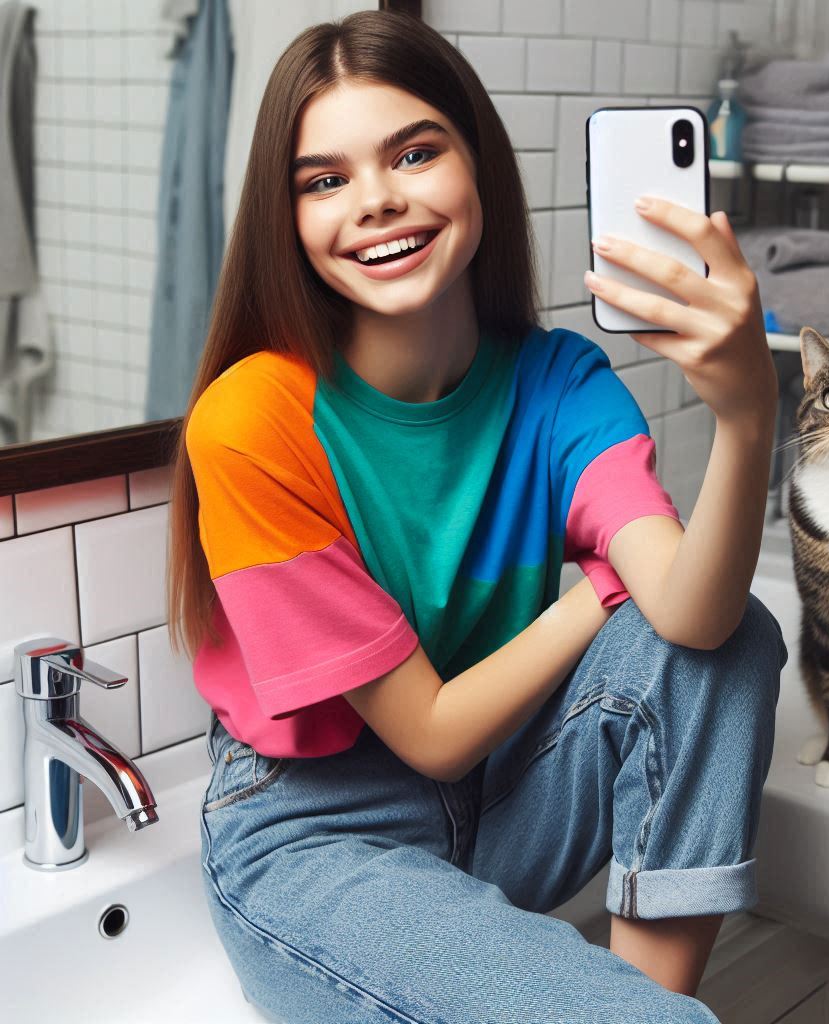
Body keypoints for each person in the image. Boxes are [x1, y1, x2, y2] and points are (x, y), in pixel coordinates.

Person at [166, 10, 788, 1024]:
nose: (375, 201)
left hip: (503, 801)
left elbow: (694, 622)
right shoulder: (254, 419)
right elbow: (429, 734)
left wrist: (747, 415)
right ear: (288, 218)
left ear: (478, 166)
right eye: (324, 180)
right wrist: (595, 596)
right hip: (316, 837)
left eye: (414, 152)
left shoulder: (557, 382)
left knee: (729, 641)